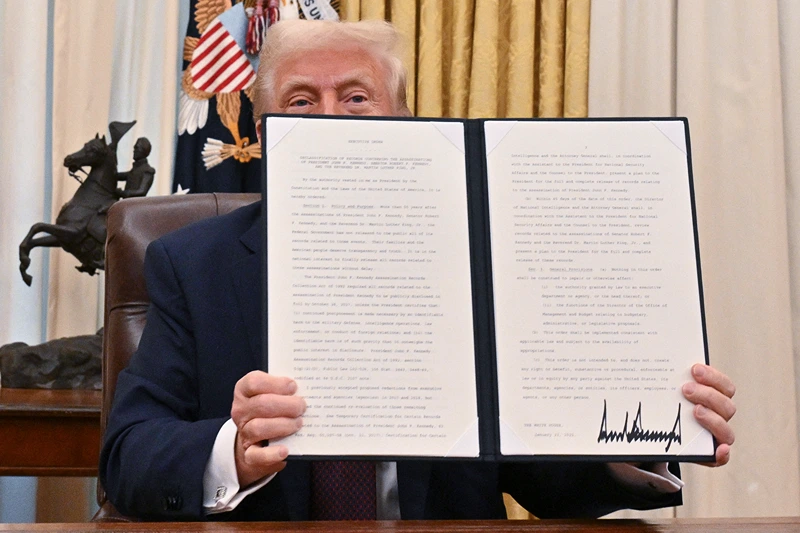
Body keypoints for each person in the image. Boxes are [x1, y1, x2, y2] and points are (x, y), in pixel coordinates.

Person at [100, 19, 736, 521]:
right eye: (301, 99)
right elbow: (128, 456)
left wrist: (649, 427)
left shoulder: (482, 260)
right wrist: (233, 455)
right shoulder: (193, 265)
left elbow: (538, 473)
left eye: (356, 97)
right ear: (264, 132)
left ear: (403, 119)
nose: (330, 119)